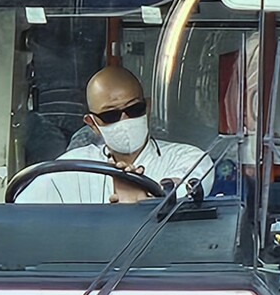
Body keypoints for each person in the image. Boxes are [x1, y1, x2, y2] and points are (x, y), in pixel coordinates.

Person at [18, 67, 210, 204]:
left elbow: (185, 187)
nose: (125, 119)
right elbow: (23, 214)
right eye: (111, 115)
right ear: (92, 124)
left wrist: (149, 197)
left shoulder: (188, 157)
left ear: (148, 108)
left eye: (134, 109)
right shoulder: (67, 168)